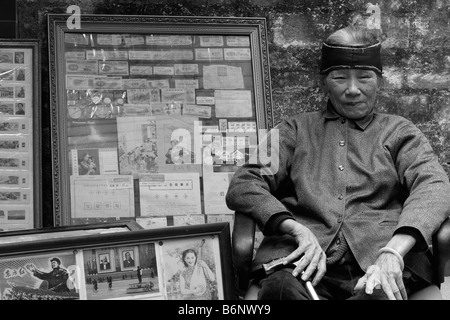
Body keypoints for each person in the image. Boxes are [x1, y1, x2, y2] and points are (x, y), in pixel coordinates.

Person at [225, 26, 450, 300]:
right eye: (340, 78)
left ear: (380, 81)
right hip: (302, 262)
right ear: (324, 82)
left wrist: (394, 251)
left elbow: (434, 185)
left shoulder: (400, 131)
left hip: (382, 260)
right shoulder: (295, 130)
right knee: (279, 291)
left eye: (364, 77)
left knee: (381, 293)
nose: (352, 89)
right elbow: (245, 183)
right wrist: (295, 228)